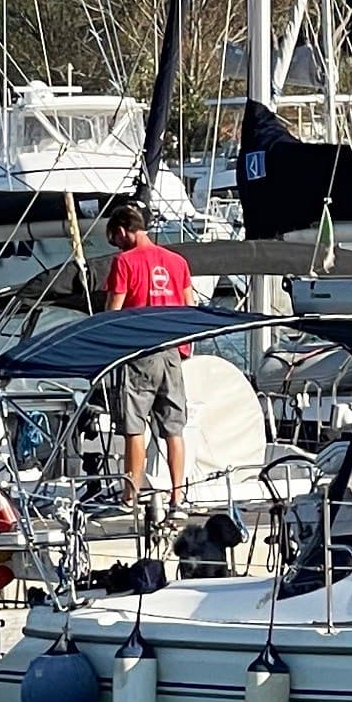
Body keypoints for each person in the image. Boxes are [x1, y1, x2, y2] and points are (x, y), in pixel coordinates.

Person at [102, 201, 201, 509]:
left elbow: (112, 313)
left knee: (135, 426)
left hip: (139, 352)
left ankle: (130, 495)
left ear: (121, 231)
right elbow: (189, 306)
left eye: (114, 239)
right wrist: (185, 349)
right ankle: (177, 495)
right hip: (172, 349)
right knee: (174, 427)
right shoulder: (177, 262)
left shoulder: (124, 262)